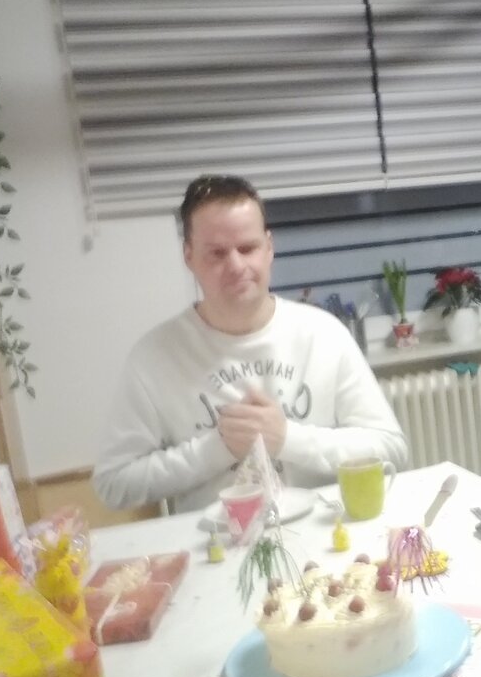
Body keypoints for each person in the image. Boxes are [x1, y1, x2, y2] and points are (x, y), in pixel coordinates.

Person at [93, 175, 408, 513]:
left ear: (269, 247)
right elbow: (113, 485)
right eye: (216, 253)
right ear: (189, 256)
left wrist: (287, 438)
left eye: (247, 248)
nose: (236, 266)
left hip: (324, 536)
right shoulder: (154, 357)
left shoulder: (324, 334)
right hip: (212, 542)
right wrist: (217, 449)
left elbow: (392, 449)